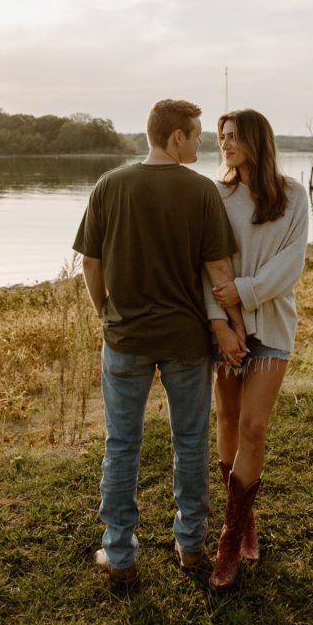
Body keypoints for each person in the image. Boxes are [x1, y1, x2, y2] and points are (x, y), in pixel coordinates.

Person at [72, 98, 246, 586]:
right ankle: (191, 547)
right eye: (195, 135)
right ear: (176, 138)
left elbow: (91, 262)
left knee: (122, 443)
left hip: (124, 339)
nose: (201, 142)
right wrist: (235, 322)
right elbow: (218, 269)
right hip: (186, 342)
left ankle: (120, 556)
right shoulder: (201, 192)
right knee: (190, 441)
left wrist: (104, 311)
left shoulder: (110, 185)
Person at [203, 109, 309, 590]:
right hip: (225, 327)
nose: (223, 144)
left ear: (255, 140)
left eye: (232, 137)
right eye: (220, 137)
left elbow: (290, 265)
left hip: (272, 323)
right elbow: (201, 263)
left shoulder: (293, 195)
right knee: (226, 420)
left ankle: (227, 539)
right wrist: (223, 317)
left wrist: (243, 292)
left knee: (254, 425)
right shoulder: (216, 194)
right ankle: (242, 519)